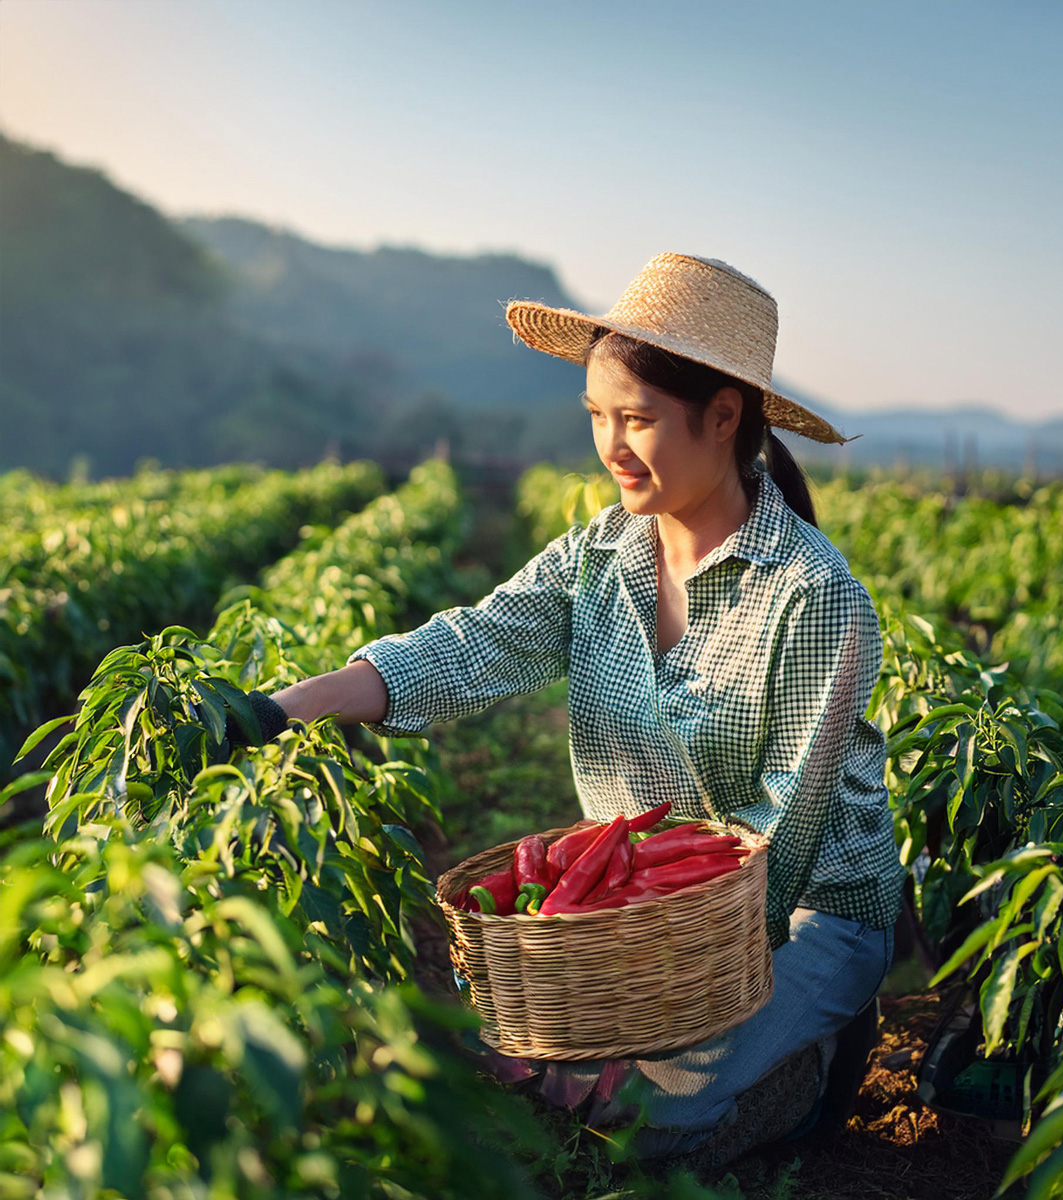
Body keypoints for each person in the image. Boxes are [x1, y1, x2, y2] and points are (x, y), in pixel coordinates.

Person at [251, 252, 904, 1167]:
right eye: (598, 416)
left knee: (649, 1123)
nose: (610, 445)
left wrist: (653, 998)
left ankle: (808, 1068)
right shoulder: (601, 554)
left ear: (723, 419)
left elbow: (778, 837)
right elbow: (470, 644)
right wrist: (283, 709)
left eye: (637, 419)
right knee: (542, 1074)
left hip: (797, 911)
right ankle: (691, 1064)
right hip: (639, 909)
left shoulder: (814, 595)